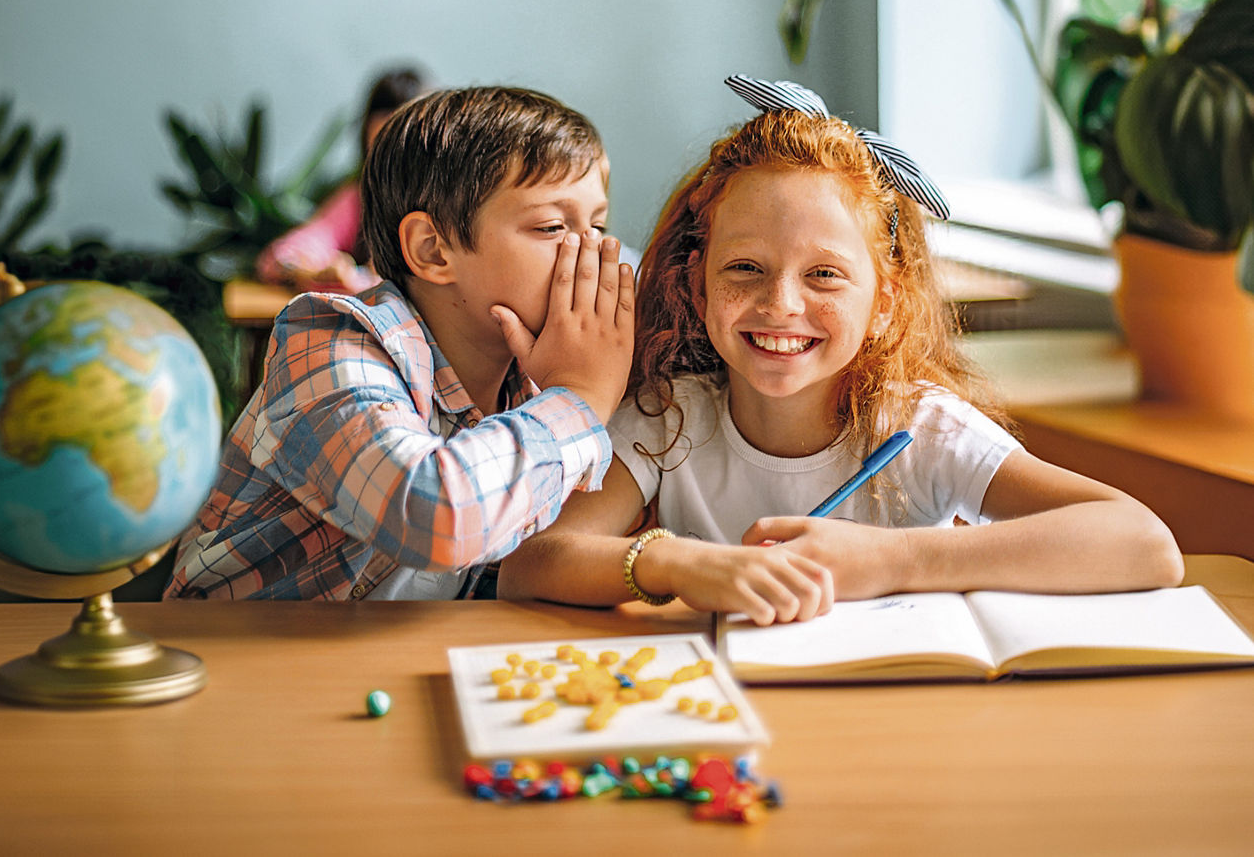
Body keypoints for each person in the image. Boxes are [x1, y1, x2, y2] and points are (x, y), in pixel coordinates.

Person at [498, 75, 1184, 626]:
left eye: (824, 275)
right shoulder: (669, 417)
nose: (780, 306)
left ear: (884, 304)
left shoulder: (918, 427)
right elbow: (532, 565)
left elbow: (1143, 542)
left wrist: (893, 560)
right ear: (697, 287)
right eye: (744, 269)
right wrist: (675, 565)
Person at [166, 86, 635, 600]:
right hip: (238, 662)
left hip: (394, 662)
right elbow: (436, 515)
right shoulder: (331, 345)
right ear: (433, 250)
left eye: (597, 225)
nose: (593, 252)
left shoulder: (528, 377)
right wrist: (578, 399)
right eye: (551, 226)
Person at [254, 66, 429, 294]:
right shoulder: (358, 200)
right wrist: (310, 270)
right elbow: (283, 256)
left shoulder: (447, 204)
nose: (391, 166)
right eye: (379, 150)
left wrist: (356, 281)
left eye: (402, 150)